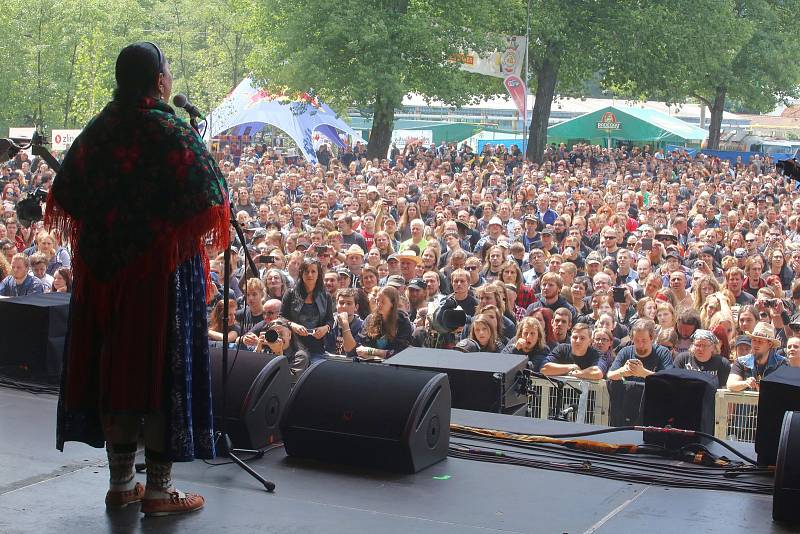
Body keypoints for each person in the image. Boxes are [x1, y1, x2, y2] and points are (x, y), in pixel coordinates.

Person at [45, 43, 228, 515]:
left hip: (104, 276)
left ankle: (122, 482)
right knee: (161, 371)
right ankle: (161, 490)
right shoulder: (170, 130)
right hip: (160, 278)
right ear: (159, 81)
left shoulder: (100, 129)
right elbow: (212, 196)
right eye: (167, 73)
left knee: (117, 368)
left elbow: (64, 192)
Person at [280, 257, 334, 363]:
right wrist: (293, 325)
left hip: (317, 347)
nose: (309, 275)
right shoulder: (290, 294)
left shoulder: (325, 296)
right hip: (295, 346)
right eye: (306, 271)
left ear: (318, 274)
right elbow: (281, 317)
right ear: (301, 273)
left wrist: (325, 328)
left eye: (313, 271)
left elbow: (330, 320)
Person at [607, 319, 674, 382]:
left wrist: (643, 373)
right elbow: (609, 375)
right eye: (636, 340)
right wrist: (623, 371)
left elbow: (667, 380)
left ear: (651, 338)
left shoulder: (663, 353)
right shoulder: (625, 352)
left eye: (644, 340)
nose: (640, 344)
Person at [356, 286, 412, 359]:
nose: (379, 304)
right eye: (377, 301)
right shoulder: (370, 319)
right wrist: (383, 354)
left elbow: (400, 353)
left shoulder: (402, 321)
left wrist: (373, 352)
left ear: (392, 303)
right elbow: (361, 349)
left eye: (383, 301)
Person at [727, 322, 787, 392]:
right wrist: (745, 383)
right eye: (754, 340)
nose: (756, 344)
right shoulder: (741, 362)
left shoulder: (782, 363)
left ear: (770, 344)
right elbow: (731, 384)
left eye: (760, 341)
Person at [541, 323, 606, 379]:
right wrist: (572, 367)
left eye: (582, 338)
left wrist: (576, 374)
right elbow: (544, 369)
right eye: (575, 337)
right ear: (570, 338)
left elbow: (598, 373)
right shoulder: (562, 349)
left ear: (590, 341)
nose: (578, 341)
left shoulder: (596, 354)